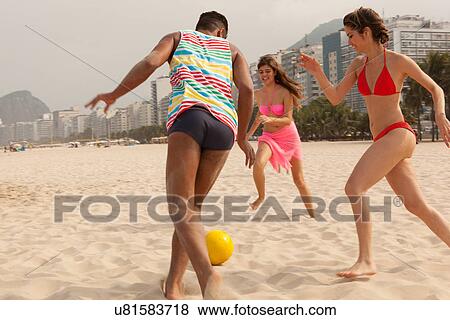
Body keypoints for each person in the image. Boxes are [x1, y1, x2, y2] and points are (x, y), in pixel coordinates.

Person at [86, 11, 255, 299]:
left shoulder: (178, 37)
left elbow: (150, 62)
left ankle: (206, 274)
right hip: (224, 125)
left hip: (190, 116)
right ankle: (174, 285)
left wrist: (115, 94)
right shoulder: (232, 49)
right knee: (191, 210)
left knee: (181, 208)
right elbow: (248, 89)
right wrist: (242, 137)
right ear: (221, 32)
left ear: (199, 28)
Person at [300, 7, 450, 278]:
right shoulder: (359, 64)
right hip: (384, 139)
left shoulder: (397, 61)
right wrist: (316, 71)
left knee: (354, 187)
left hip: (399, 133)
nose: (350, 41)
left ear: (366, 32)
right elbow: (335, 97)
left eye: (351, 35)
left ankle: (366, 260)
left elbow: (435, 88)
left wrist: (440, 114)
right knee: (416, 205)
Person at [246, 55, 315, 218]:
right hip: (268, 136)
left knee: (299, 180)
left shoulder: (285, 92)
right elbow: (258, 118)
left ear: (275, 72)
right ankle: (261, 196)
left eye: (267, 71)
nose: (264, 75)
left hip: (289, 137)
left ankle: (312, 214)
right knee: (258, 164)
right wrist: (246, 136)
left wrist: (270, 119)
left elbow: (288, 119)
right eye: (261, 72)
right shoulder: (258, 94)